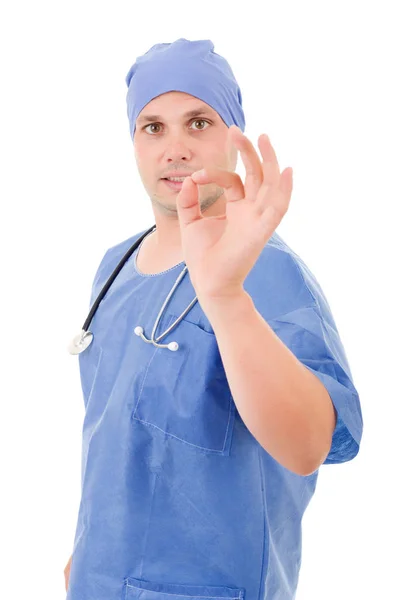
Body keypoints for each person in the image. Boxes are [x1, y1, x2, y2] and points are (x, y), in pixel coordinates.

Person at [65, 38, 363, 600]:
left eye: (197, 122)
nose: (174, 148)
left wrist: (225, 297)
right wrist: (85, 551)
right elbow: (113, 438)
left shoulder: (266, 272)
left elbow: (308, 445)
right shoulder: (117, 267)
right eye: (153, 127)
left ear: (233, 136)